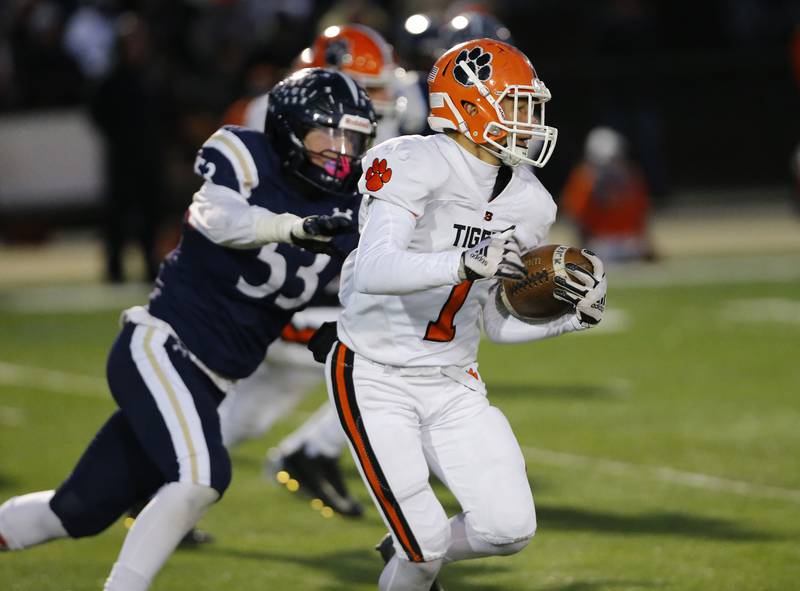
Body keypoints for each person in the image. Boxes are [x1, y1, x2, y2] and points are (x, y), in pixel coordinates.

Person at [0, 67, 376, 590]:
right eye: (327, 134)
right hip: (160, 347)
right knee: (202, 477)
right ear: (290, 131)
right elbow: (213, 215)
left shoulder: (354, 205)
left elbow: (367, 284)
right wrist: (289, 227)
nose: (341, 151)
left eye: (352, 137)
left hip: (210, 382)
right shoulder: (248, 157)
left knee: (75, 512)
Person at [313, 39, 607, 590]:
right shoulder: (411, 159)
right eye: (516, 104)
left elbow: (493, 323)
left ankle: (407, 546)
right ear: (469, 106)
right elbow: (374, 268)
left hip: (453, 380)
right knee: (423, 551)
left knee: (507, 529)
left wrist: (568, 319)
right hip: (375, 374)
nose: (528, 120)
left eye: (530, 107)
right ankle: (413, 548)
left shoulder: (531, 203)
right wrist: (465, 261)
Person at [219, 24, 428, 518]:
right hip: (282, 296)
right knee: (404, 364)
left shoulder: (362, 127)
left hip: (315, 294)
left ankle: (159, 478)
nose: (385, 98)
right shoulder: (281, 130)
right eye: (371, 88)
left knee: (251, 411)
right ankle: (311, 452)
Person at [561, 126, 655, 262]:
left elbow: (641, 212)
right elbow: (576, 216)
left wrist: (644, 241)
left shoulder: (631, 175)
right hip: (599, 243)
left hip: (629, 241)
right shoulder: (583, 178)